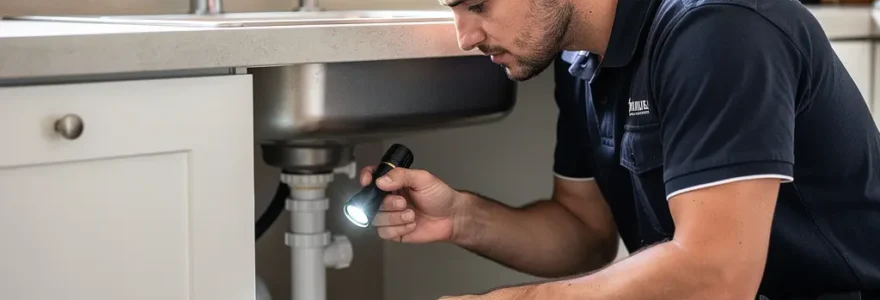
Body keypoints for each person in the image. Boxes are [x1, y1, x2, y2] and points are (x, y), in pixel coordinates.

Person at [358, 0, 880, 298]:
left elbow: (717, 275)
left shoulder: (718, 30)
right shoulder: (581, 60)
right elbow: (584, 234)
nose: (465, 36)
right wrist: (461, 217)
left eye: (478, 4)